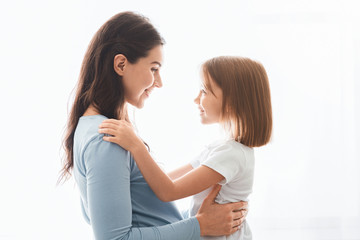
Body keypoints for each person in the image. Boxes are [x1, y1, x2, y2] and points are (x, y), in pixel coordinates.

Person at [59, 12, 248, 240]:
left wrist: (197, 220)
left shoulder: (100, 130)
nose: (159, 82)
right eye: (153, 68)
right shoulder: (106, 138)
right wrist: (199, 226)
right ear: (120, 64)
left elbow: (151, 206)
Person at [98, 56, 273, 239]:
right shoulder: (220, 148)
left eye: (204, 91)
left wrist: (136, 145)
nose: (196, 99)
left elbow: (168, 191)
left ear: (231, 102)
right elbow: (165, 180)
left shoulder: (232, 154)